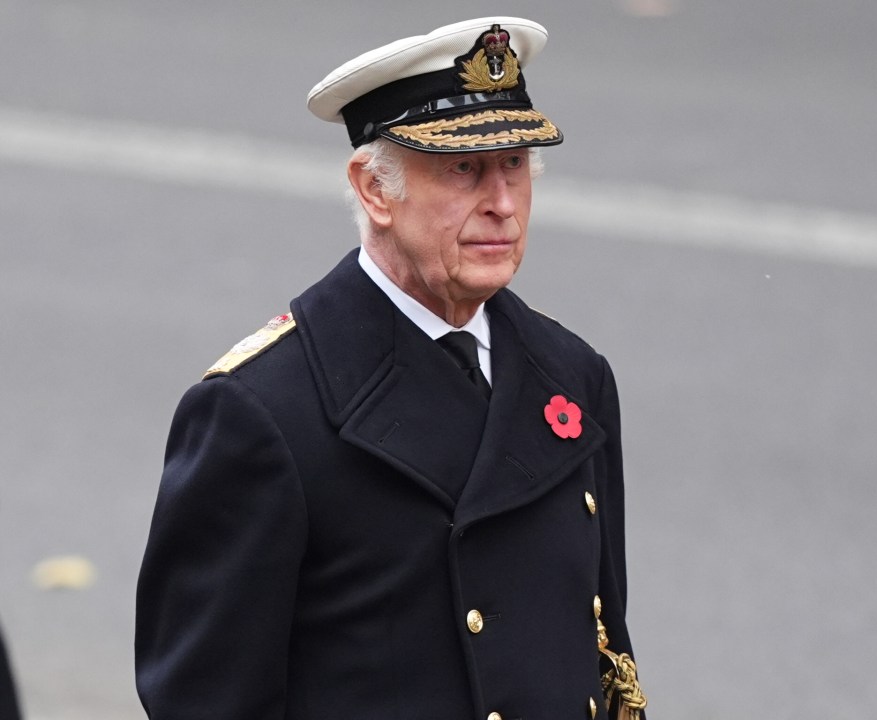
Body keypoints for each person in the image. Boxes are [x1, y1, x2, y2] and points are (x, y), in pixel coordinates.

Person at [136, 16, 645, 720]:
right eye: (464, 169)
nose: (501, 203)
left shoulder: (574, 376)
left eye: (515, 165)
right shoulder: (263, 412)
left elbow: (607, 656)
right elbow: (205, 700)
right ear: (374, 191)